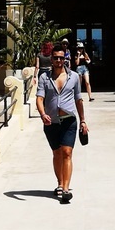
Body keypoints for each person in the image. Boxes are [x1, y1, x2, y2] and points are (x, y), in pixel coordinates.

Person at [35, 44, 88, 204]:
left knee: (67, 153)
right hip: (51, 121)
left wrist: (83, 120)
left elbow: (78, 99)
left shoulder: (73, 77)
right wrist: (43, 114)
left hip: (69, 120)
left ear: (66, 59)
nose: (59, 60)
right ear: (51, 59)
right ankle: (59, 183)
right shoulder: (45, 78)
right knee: (57, 154)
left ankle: (65, 189)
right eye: (56, 57)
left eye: (61, 58)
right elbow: (39, 98)